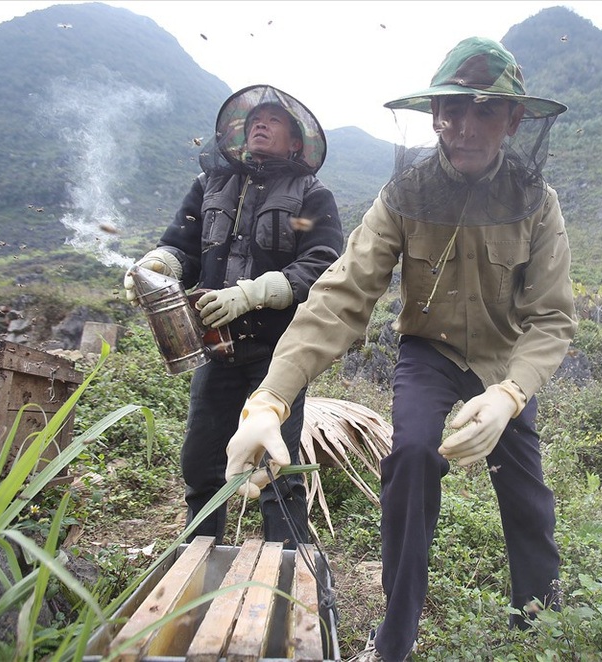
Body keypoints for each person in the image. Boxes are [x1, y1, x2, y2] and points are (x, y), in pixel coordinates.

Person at [227, 37, 576, 662]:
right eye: (451, 110)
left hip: (503, 363)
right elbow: (341, 296)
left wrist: (509, 395)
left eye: (484, 111)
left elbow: (551, 317)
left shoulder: (536, 203)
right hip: (428, 353)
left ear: (514, 119)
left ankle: (542, 629)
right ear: (435, 113)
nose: (464, 128)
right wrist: (268, 402)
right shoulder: (403, 197)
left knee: (527, 495)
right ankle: (394, 641)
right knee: (411, 459)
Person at [123, 84, 344, 549]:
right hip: (215, 349)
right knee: (201, 463)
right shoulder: (210, 185)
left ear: (296, 140)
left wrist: (255, 293)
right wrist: (158, 264)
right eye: (255, 119)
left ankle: (285, 575)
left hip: (278, 353)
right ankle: (195, 566)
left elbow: (322, 261)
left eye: (274, 120)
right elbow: (180, 245)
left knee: (277, 469)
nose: (260, 124)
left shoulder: (312, 193)